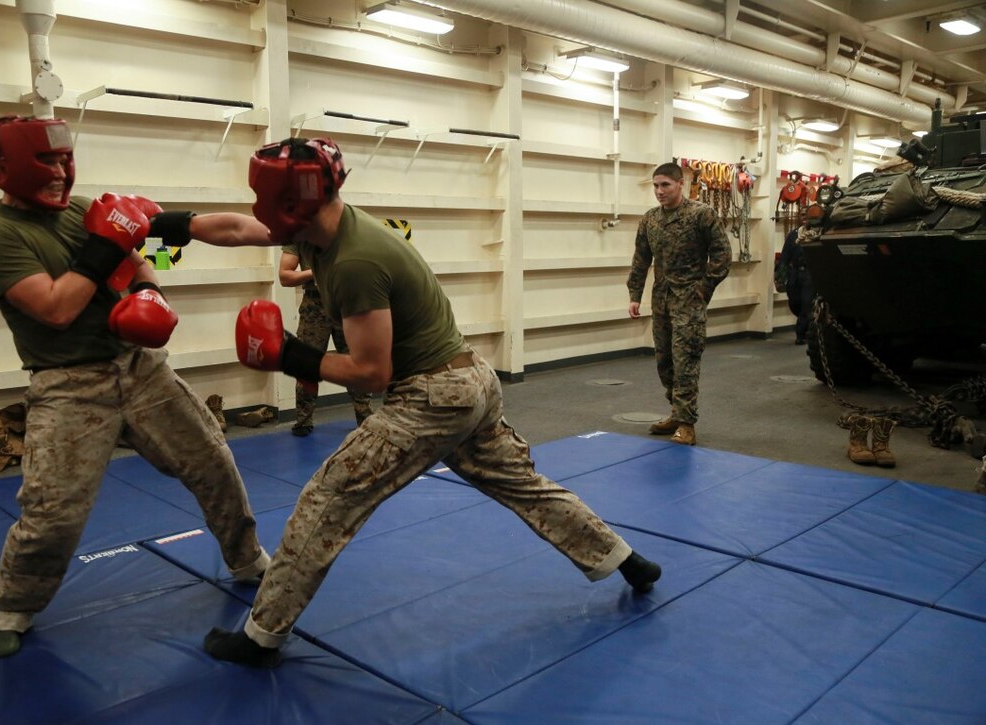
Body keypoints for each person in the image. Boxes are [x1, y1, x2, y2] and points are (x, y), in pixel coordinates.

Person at [203, 136, 663, 668]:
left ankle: (261, 638)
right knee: (524, 486)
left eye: (265, 197)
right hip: (472, 378)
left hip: (431, 398)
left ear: (291, 205)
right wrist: (162, 226)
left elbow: (372, 374)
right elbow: (238, 228)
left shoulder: (353, 261)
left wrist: (289, 356)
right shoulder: (324, 223)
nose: (257, 209)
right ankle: (626, 561)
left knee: (328, 499)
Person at [0, 115, 273, 658]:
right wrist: (103, 249)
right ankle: (13, 607)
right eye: (48, 162)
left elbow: (136, 268)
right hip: (68, 385)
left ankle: (247, 559)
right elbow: (56, 308)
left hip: (141, 368)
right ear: (3, 167)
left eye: (66, 160)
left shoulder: (85, 212)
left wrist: (151, 298)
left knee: (212, 462)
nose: (62, 172)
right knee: (53, 513)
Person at [628, 161, 732, 447]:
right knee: (665, 361)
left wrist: (704, 288)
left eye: (665, 185)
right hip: (661, 298)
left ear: (680, 184)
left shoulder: (702, 215)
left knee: (686, 360)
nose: (659, 191)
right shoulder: (650, 219)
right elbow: (640, 259)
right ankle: (675, 412)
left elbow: (723, 255)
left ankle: (687, 424)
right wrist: (634, 295)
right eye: (656, 186)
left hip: (689, 298)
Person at [278, 242, 372, 436]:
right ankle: (303, 421)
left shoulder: (347, 235)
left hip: (345, 305)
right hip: (314, 306)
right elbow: (285, 276)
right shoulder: (299, 239)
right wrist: (315, 272)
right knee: (306, 364)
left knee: (356, 363)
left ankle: (365, 418)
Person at [778, 227, 814, 345]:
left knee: (806, 302)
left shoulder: (817, 232)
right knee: (794, 302)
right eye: (802, 214)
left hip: (810, 273)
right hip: (795, 273)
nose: (804, 217)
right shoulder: (794, 234)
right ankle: (806, 323)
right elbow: (784, 256)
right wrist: (782, 277)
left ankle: (801, 333)